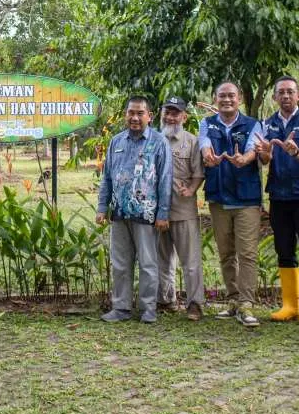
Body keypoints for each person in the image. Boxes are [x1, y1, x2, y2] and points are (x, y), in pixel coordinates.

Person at [96, 95, 173, 324]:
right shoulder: (116, 142)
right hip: (119, 213)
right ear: (125, 115)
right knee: (120, 263)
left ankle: (148, 309)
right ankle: (121, 308)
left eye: (140, 113)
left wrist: (163, 213)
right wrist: (102, 207)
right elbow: (107, 178)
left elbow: (165, 180)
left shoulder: (159, 142)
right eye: (131, 113)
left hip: (147, 214)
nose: (135, 117)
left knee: (148, 264)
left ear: (149, 116)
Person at [255, 76, 299, 324]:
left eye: (290, 92)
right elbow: (265, 160)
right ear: (274, 97)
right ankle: (289, 305)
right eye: (281, 92)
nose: (285, 96)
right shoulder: (267, 124)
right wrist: (264, 155)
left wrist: (296, 152)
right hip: (279, 195)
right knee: (283, 249)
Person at [198, 82, 264, 328]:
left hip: (246, 198)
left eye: (231, 96)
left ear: (240, 99)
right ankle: (233, 300)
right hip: (218, 197)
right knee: (226, 253)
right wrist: (207, 155)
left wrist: (244, 159)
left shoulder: (252, 124)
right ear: (215, 99)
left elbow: (253, 151)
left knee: (247, 253)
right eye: (222, 96)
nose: (227, 100)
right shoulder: (207, 123)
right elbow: (204, 144)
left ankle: (247, 304)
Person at [155, 96, 206, 320]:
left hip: (183, 209)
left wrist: (192, 189)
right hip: (157, 211)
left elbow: (198, 173)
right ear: (161, 114)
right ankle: (165, 300)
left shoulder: (192, 142)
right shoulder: (153, 140)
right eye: (167, 112)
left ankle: (195, 303)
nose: (170, 117)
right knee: (162, 259)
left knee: (190, 260)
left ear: (184, 117)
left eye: (175, 113)